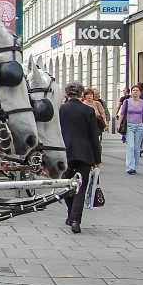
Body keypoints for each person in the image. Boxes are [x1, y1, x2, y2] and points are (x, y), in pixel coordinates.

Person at [59, 82, 101, 234]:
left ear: (66, 94)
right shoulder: (88, 110)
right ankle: (76, 220)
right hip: (84, 152)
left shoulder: (61, 109)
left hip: (65, 153)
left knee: (67, 184)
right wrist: (97, 158)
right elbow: (93, 136)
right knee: (81, 186)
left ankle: (70, 214)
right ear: (81, 94)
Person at [119, 85, 143, 174]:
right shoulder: (127, 102)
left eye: (137, 90)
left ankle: (135, 165)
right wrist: (119, 124)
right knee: (131, 146)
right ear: (131, 92)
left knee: (137, 148)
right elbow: (122, 114)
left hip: (139, 126)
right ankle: (130, 167)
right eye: (133, 90)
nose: (135, 92)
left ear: (140, 92)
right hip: (129, 126)